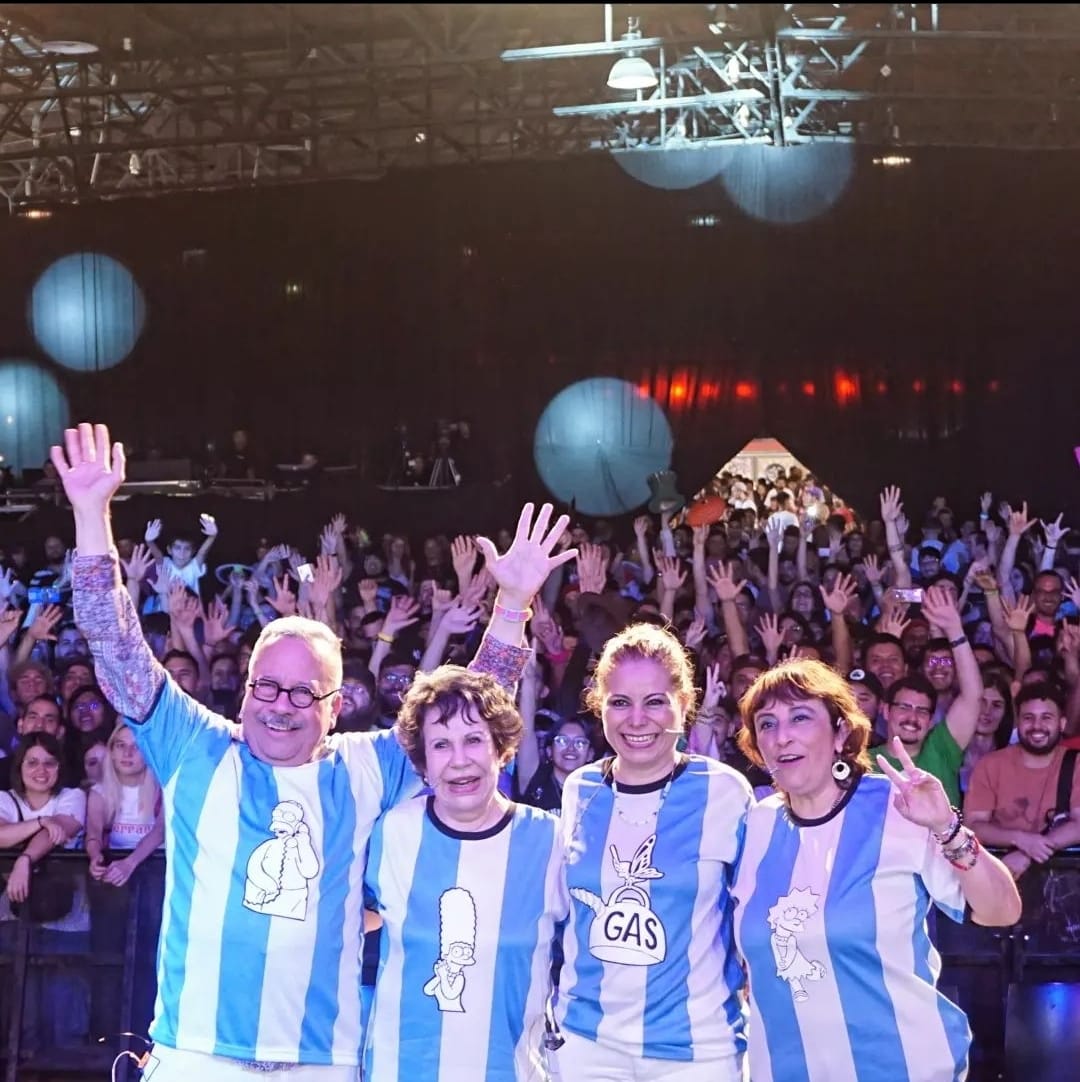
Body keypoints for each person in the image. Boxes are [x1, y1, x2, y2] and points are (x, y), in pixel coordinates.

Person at [53, 421, 571, 1081]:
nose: (281, 705)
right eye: (267, 686)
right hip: (196, 1057)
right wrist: (90, 515)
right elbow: (115, 645)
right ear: (246, 689)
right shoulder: (194, 746)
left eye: (304, 692)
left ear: (334, 705)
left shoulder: (367, 765)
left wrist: (514, 603)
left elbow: (475, 705)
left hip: (322, 1062)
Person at [732, 659, 1021, 1082]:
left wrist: (947, 827)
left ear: (841, 733)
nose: (782, 736)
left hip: (900, 1068)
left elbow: (1002, 911)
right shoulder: (755, 825)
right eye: (767, 724)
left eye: (800, 717)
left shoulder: (897, 807)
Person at [553, 623, 753, 1081]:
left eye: (655, 702)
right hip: (586, 1046)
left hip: (699, 1051)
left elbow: (753, 917)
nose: (637, 719)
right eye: (620, 702)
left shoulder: (724, 791)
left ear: (684, 704)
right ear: (600, 706)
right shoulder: (580, 788)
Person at [362, 665, 567, 1081]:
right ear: (423, 761)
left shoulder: (550, 840)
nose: (459, 760)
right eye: (441, 744)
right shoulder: (392, 831)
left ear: (502, 748)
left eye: (473, 740)